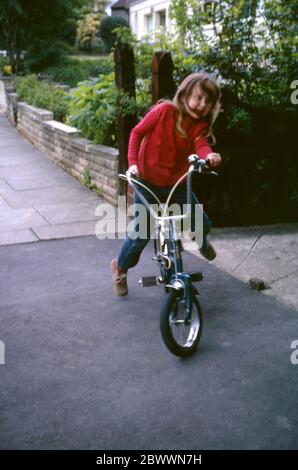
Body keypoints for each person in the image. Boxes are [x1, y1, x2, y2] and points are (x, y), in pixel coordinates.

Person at [111, 72, 222, 296]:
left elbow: (201, 145)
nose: (202, 105)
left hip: (176, 184)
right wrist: (133, 164)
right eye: (198, 98)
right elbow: (137, 132)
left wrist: (209, 156)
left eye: (208, 101)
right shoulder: (164, 112)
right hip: (147, 182)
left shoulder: (198, 126)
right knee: (141, 234)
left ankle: (200, 241)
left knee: (202, 222)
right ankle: (120, 268)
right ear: (185, 95)